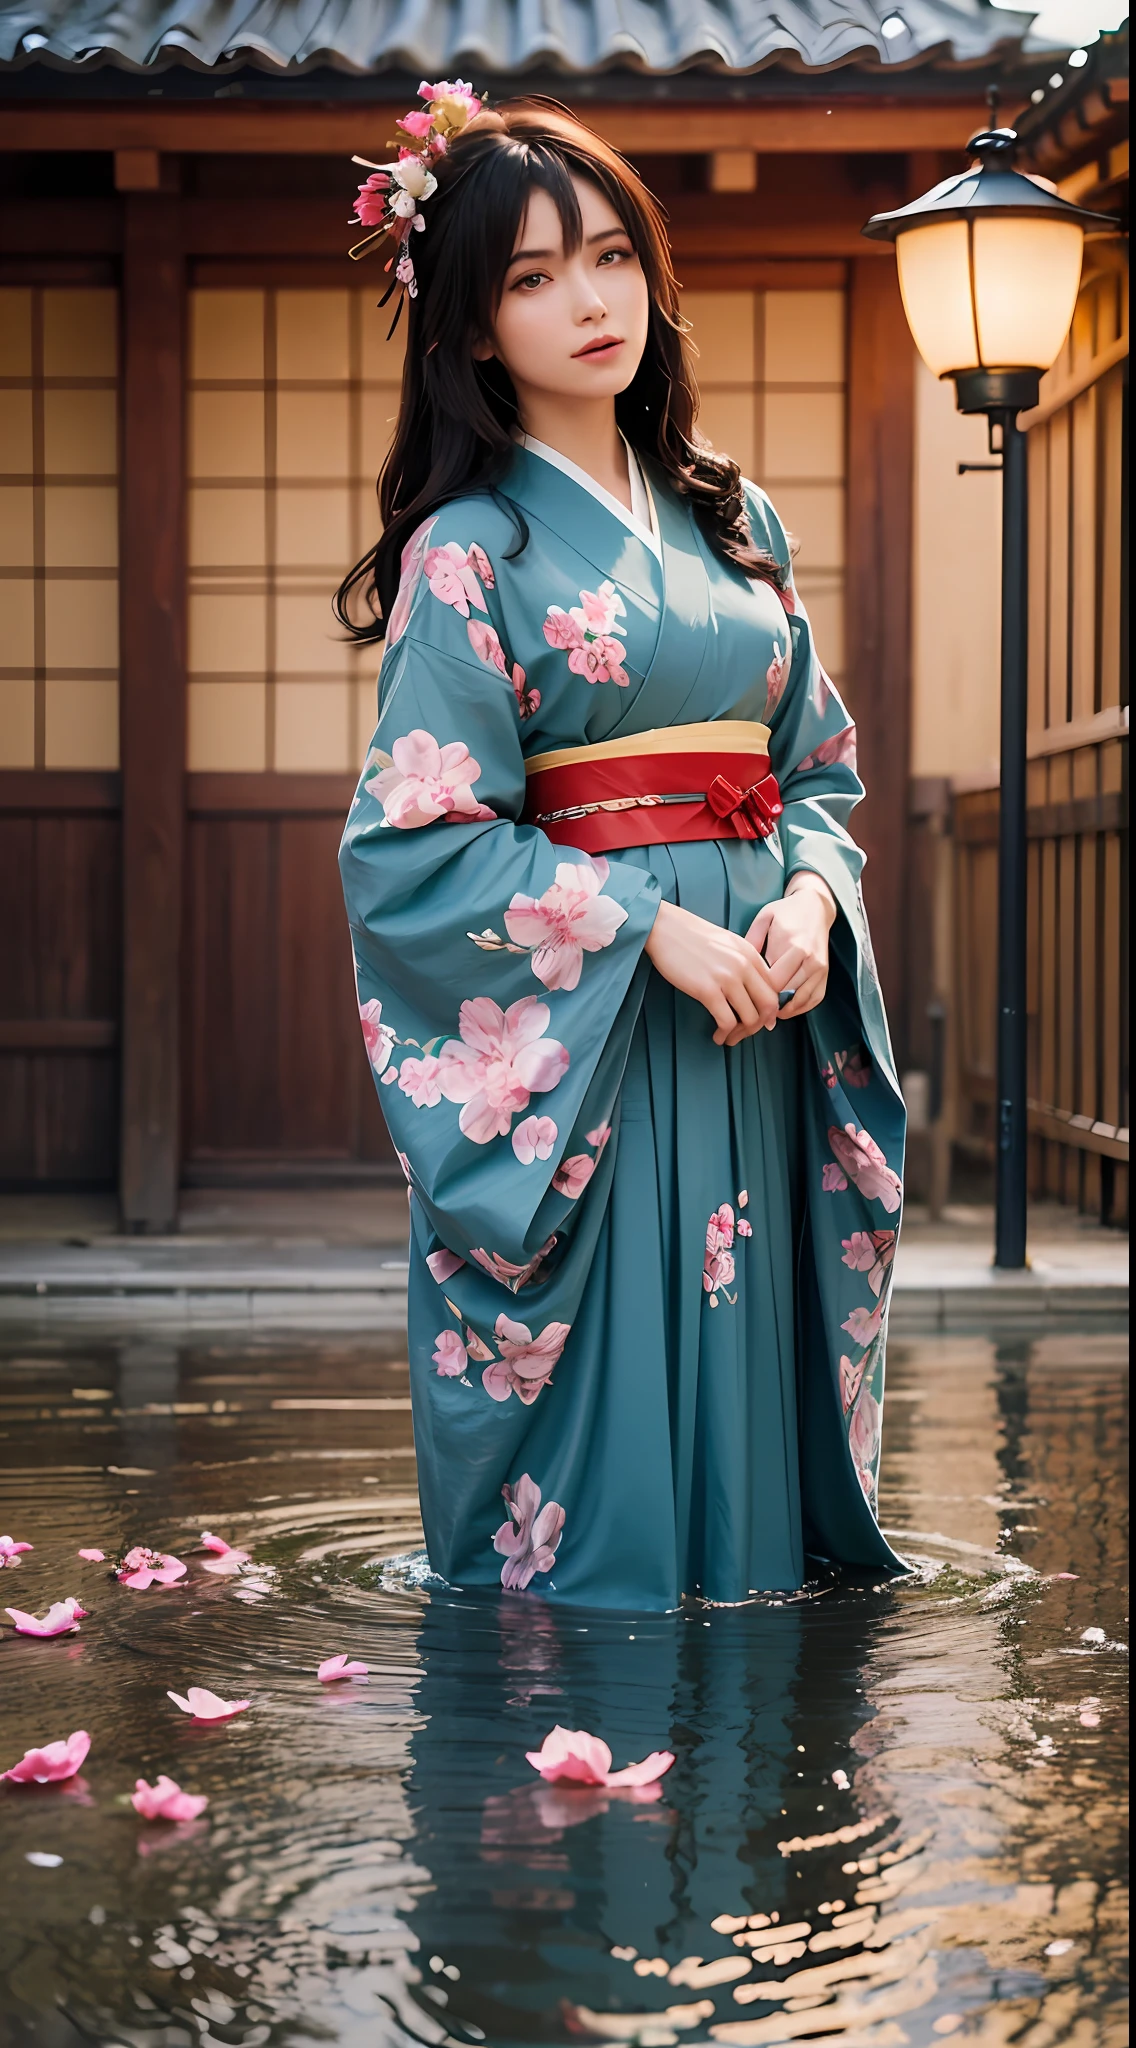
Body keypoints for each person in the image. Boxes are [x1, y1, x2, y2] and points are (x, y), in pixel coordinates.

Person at [337, 88, 906, 1611]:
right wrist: (648, 925)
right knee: (609, 1468)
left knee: (756, 1401)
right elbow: (415, 839)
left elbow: (819, 771)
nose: (588, 302)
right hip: (608, 1027)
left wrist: (805, 893)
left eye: (606, 256)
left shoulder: (735, 524)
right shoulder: (470, 552)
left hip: (758, 1011)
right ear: (465, 327)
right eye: (529, 278)